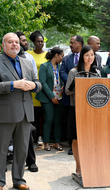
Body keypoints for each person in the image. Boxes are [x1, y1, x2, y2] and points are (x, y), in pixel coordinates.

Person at [0, 32, 41, 190]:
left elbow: (38, 83)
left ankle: (19, 180)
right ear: (3, 45)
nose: (14, 45)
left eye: (16, 42)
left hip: (25, 113)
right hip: (5, 114)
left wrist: (34, 86)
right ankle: (0, 182)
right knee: (1, 149)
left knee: (22, 149)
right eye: (10, 42)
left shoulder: (27, 61)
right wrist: (13, 84)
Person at [65, 45, 99, 178]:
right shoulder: (74, 71)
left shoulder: (97, 72)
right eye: (87, 55)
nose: (90, 58)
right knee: (76, 140)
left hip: (92, 111)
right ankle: (78, 166)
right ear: (82, 57)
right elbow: (67, 90)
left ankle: (89, 165)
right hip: (76, 109)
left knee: (90, 139)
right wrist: (77, 84)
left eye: (92, 55)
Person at [15, 31, 38, 172]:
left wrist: (33, 85)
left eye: (24, 40)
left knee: (27, 135)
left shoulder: (28, 58)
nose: (24, 43)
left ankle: (31, 162)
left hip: (25, 101)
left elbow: (35, 79)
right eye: (21, 41)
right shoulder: (3, 60)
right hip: (9, 104)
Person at [36, 47, 64, 151]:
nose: (62, 58)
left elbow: (61, 79)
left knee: (58, 121)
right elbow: (42, 83)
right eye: (61, 56)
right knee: (48, 119)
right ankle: (46, 142)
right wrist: (52, 97)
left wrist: (63, 87)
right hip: (47, 98)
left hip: (59, 96)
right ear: (56, 55)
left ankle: (57, 142)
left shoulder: (60, 67)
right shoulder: (44, 66)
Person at [60, 35, 84, 155]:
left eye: (72, 42)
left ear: (79, 43)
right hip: (70, 95)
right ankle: (72, 146)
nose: (70, 45)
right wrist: (72, 83)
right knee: (71, 121)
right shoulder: (66, 59)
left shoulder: (88, 57)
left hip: (85, 98)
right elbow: (62, 72)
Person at [28, 30, 48, 146]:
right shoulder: (29, 54)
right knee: (34, 114)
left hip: (44, 87)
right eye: (38, 41)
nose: (40, 43)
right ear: (34, 42)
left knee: (43, 115)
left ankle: (41, 136)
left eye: (42, 41)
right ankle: (33, 138)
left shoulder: (47, 55)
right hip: (33, 87)